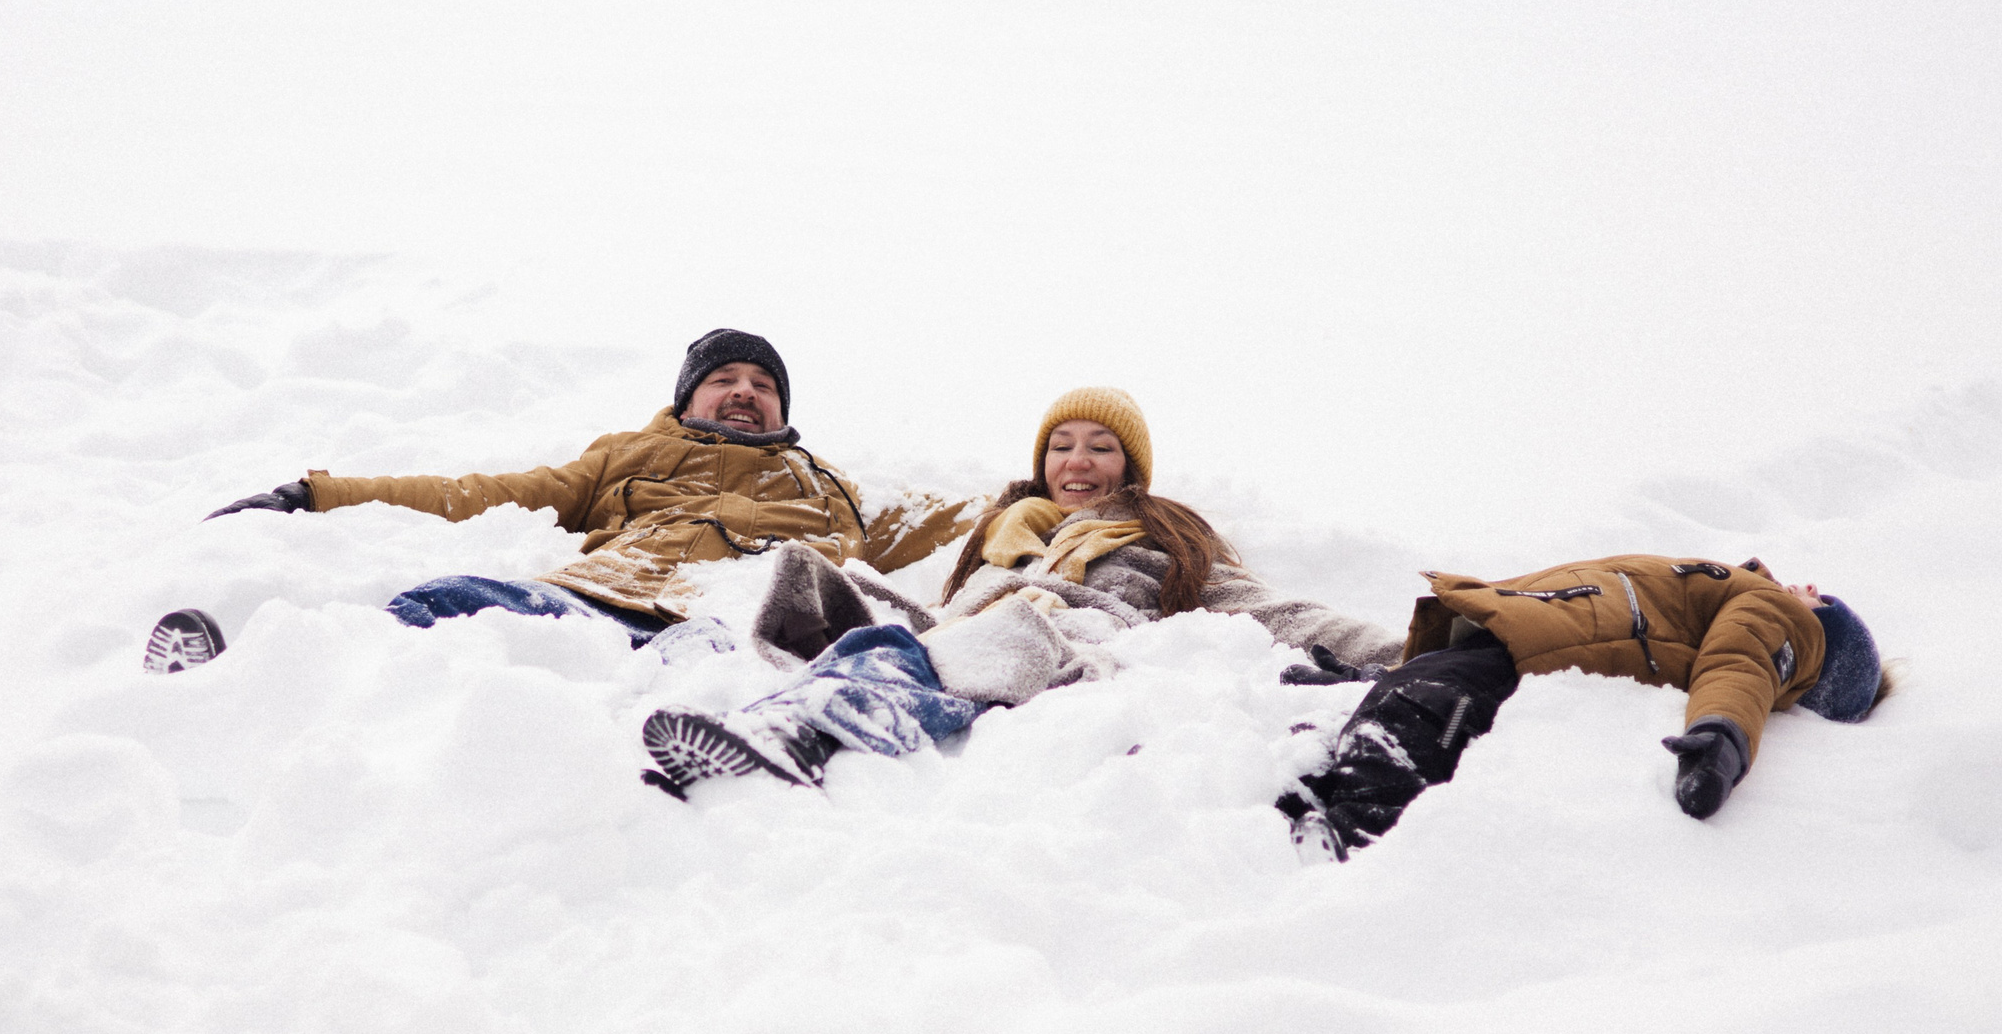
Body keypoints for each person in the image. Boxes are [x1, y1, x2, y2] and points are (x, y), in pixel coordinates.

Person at [639, 386, 1400, 792]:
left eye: (1101, 448)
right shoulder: (1006, 537)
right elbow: (947, 610)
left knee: (954, 643)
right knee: (820, 592)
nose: (1078, 461)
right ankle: (736, 731)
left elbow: (1276, 612)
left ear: (1130, 469)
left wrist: (1413, 645)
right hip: (967, 636)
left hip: (1070, 642)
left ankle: (794, 732)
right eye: (1062, 446)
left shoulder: (1160, 536)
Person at [144, 328, 977, 669]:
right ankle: (251, 678)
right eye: (723, 379)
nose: (743, 393)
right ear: (688, 399)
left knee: (701, 674)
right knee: (454, 603)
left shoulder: (833, 487)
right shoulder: (628, 454)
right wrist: (313, 496)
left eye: (762, 385)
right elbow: (478, 494)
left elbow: (979, 516)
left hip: (735, 625)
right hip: (604, 602)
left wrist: (1092, 484)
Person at [1276, 556, 1888, 861]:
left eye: (1823, 601)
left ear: (1820, 652)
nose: (1808, 588)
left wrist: (1722, 736)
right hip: (1506, 642)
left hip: (1522, 660)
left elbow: (1740, 667)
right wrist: (1377, 676)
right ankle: (1308, 789)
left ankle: (1354, 833)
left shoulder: (1780, 622)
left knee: (1417, 721)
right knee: (1404, 702)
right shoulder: (1721, 588)